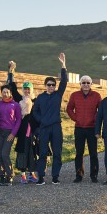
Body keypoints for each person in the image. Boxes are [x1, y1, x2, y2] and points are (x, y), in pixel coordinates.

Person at [32, 53, 68, 185]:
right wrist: (41, 120)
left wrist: (63, 65)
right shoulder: (40, 98)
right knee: (42, 153)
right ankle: (41, 177)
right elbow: (34, 111)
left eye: (53, 85)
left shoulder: (58, 95)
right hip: (44, 128)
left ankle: (55, 177)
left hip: (56, 127)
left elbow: (64, 82)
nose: (51, 86)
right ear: (45, 85)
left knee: (57, 152)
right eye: (49, 85)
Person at [5, 61, 38, 184]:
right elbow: (13, 87)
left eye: (29, 89)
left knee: (32, 152)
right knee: (22, 152)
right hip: (22, 130)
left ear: (31, 90)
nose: (27, 91)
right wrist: (11, 72)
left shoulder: (35, 100)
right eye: (25, 89)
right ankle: (23, 175)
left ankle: (32, 174)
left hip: (33, 131)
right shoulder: (20, 99)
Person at [66, 75, 101, 183]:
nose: (86, 84)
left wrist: (94, 119)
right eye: (83, 82)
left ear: (91, 84)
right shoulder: (74, 95)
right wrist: (76, 118)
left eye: (88, 82)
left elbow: (101, 110)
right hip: (79, 128)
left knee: (93, 153)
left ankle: (94, 175)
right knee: (79, 153)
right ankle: (79, 175)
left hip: (92, 128)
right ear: (80, 84)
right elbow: (69, 108)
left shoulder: (96, 95)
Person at [0, 77, 22, 186]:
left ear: (10, 93)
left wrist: (13, 133)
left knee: (4, 154)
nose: (5, 94)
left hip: (9, 132)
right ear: (1, 93)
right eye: (3, 92)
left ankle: (10, 175)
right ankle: (2, 175)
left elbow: (18, 120)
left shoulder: (15, 105)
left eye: (7, 92)